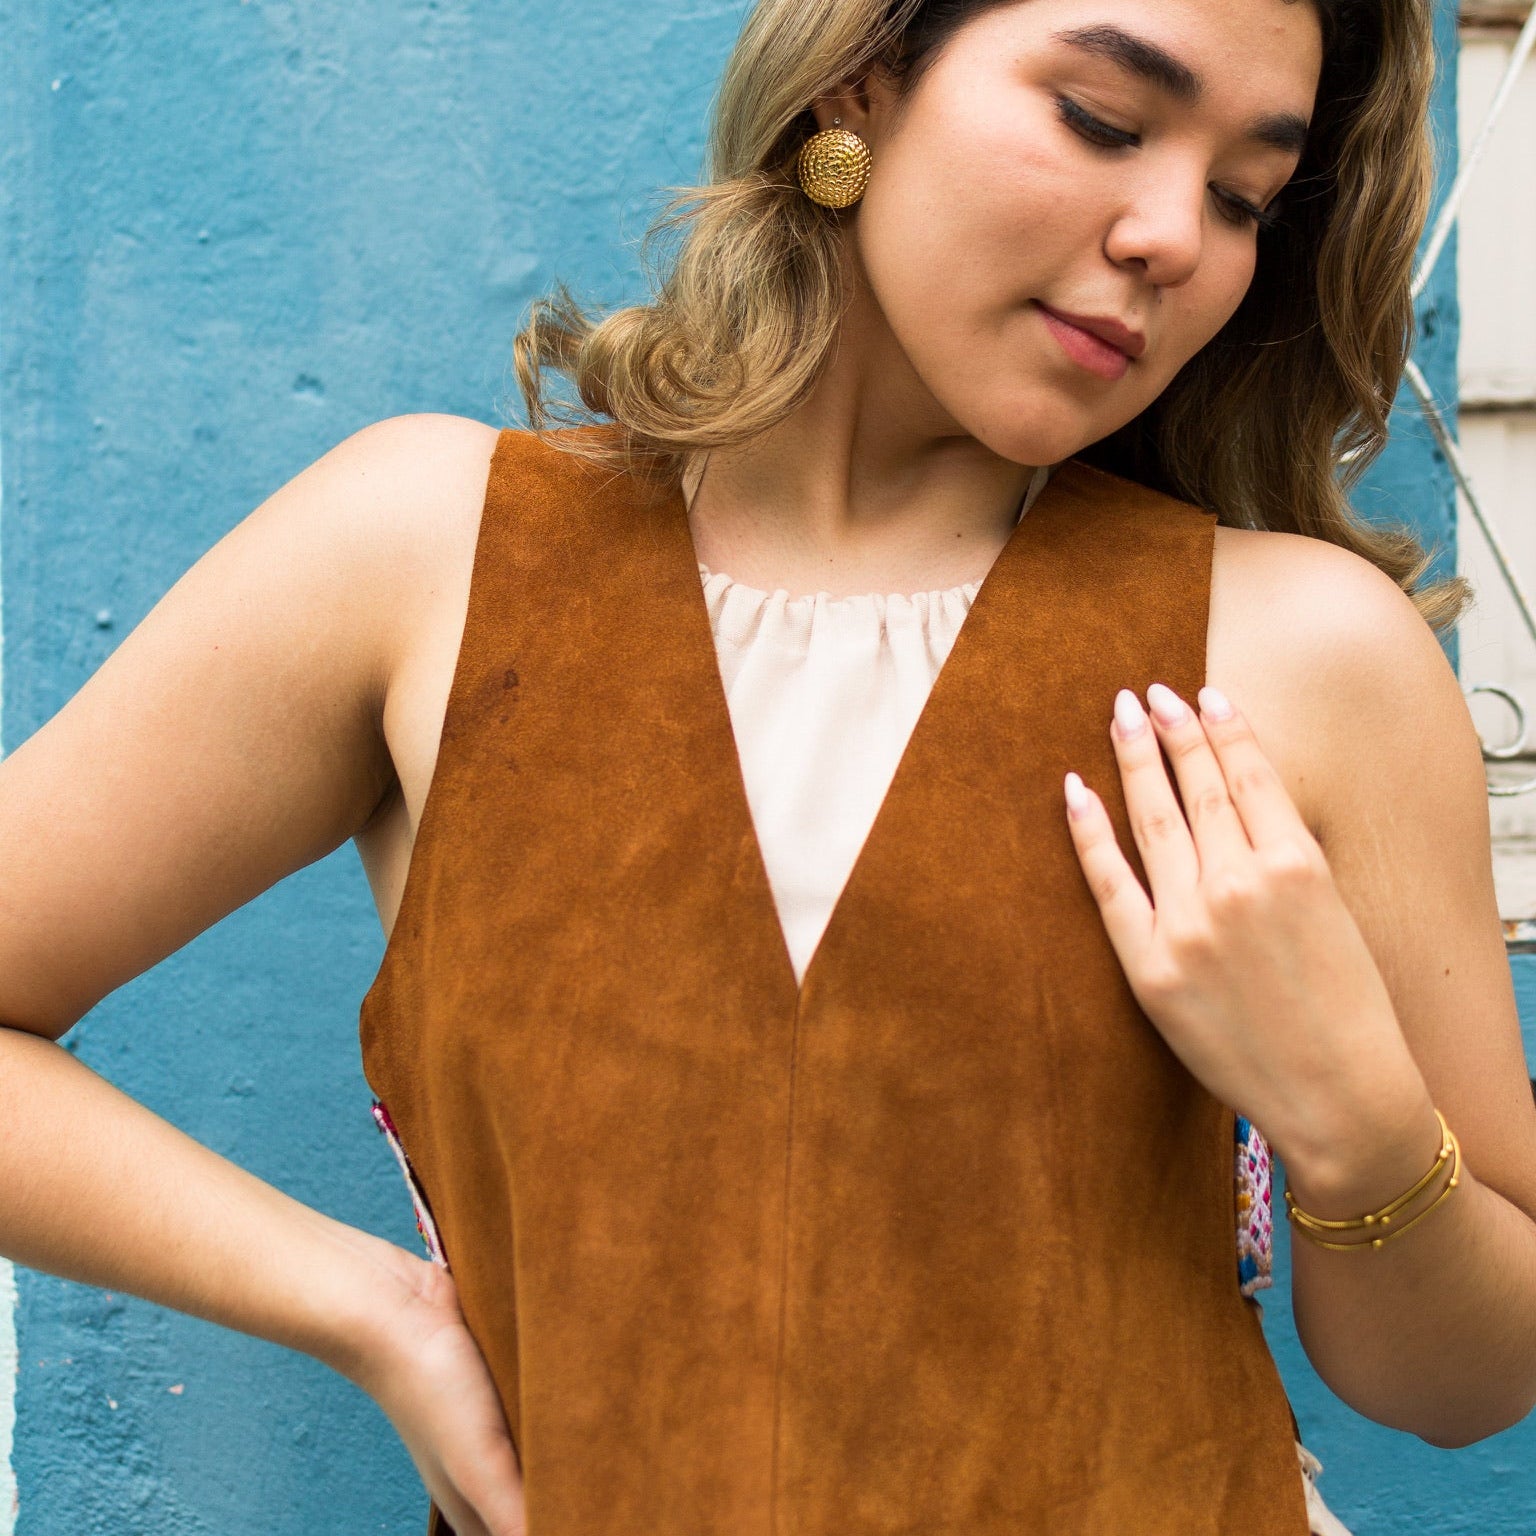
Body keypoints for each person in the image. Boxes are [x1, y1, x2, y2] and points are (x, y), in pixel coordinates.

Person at [1, 0, 1534, 1532]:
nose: (1169, 238)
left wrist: (1356, 1117)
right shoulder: (430, 559)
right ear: (856, 82)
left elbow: (1467, 1388)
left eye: (1241, 197)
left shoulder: (1306, 656)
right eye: (1105, 120)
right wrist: (371, 1311)